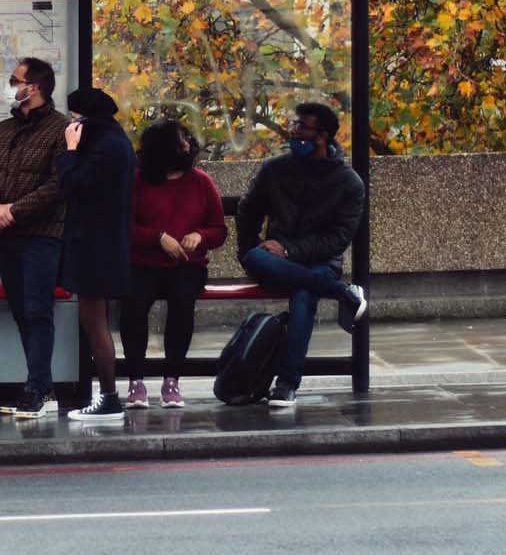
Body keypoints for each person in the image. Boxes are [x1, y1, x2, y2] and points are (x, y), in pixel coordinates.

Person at [235, 102, 369, 410]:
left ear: (323, 136)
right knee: (255, 258)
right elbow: (247, 210)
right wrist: (251, 246)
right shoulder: (275, 169)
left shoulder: (349, 182)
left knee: (305, 291)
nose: (294, 132)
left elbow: (338, 239)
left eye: (302, 127)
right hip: (273, 260)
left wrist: (290, 250)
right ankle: (343, 293)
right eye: (294, 125)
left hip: (318, 263)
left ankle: (286, 385)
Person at [0, 57, 70, 419]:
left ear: (35, 88)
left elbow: (58, 186)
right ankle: (40, 385)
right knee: (21, 313)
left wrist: (13, 210)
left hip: (44, 236)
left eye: (15, 80)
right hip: (7, 238)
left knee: (37, 310)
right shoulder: (3, 130)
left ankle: (38, 388)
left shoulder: (62, 130)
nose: (10, 85)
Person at [122, 119, 225, 409]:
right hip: (143, 262)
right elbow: (123, 227)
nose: (189, 144)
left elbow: (219, 230)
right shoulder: (136, 180)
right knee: (134, 304)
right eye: (182, 140)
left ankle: (172, 380)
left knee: (182, 301)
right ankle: (135, 381)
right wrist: (158, 238)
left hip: (187, 266)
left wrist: (199, 236)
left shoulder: (201, 181)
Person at [57, 88, 136, 422]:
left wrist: (70, 150)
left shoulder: (104, 147)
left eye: (76, 115)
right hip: (101, 244)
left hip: (95, 247)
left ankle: (108, 397)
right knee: (95, 322)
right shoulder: (115, 141)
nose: (73, 122)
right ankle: (107, 396)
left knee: (95, 323)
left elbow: (74, 184)